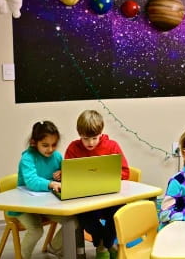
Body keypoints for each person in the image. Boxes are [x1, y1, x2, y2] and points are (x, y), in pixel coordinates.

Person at [65, 110, 130, 259]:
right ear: (79, 134)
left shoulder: (112, 146)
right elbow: (68, 176)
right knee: (83, 217)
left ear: (101, 132)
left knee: (119, 212)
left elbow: (125, 173)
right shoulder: (73, 149)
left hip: (109, 199)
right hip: (85, 201)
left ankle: (104, 244)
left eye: (95, 138)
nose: (90, 143)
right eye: (85, 139)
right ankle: (106, 244)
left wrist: (108, 178)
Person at [9, 121, 64, 258]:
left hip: (47, 205)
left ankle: (54, 247)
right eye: (45, 145)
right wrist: (51, 183)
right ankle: (23, 256)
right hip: (24, 207)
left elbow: (65, 178)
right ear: (34, 143)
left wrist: (63, 174)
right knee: (36, 230)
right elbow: (31, 181)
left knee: (74, 222)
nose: (50, 149)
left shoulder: (57, 157)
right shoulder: (27, 158)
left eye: (54, 145)